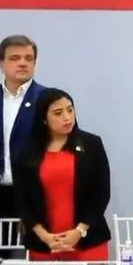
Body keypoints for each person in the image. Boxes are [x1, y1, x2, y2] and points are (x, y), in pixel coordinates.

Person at [12, 88, 111, 260]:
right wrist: (44, 236)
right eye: (58, 113)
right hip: (45, 244)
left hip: (87, 240)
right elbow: (22, 200)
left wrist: (80, 231)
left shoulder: (91, 144)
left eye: (70, 110)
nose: (67, 117)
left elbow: (101, 193)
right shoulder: (26, 152)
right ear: (43, 118)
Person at [0, 35, 47, 258]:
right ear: (2, 63)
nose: (22, 63)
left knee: (33, 255)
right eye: (15, 58)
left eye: (29, 58)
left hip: (35, 193)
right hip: (1, 190)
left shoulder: (48, 100)